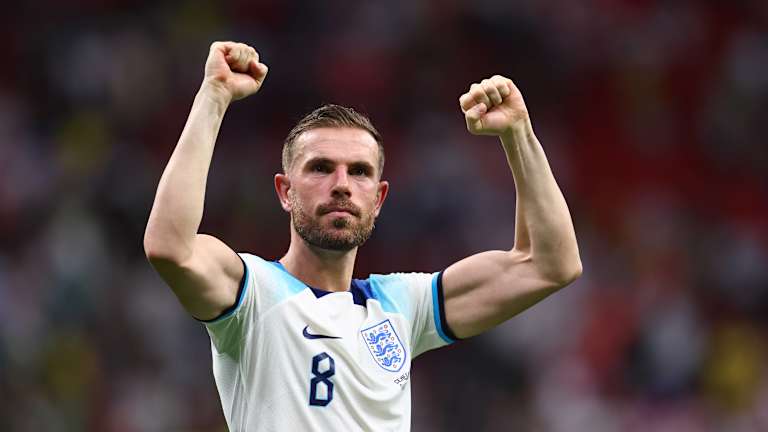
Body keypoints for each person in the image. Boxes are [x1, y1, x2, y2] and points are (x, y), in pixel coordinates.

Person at [144, 41, 582, 431]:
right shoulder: (252, 294)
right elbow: (170, 247)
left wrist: (518, 133)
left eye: (359, 172)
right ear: (284, 191)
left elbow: (550, 265)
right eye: (321, 168)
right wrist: (214, 96)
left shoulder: (403, 306)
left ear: (378, 198)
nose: (341, 185)